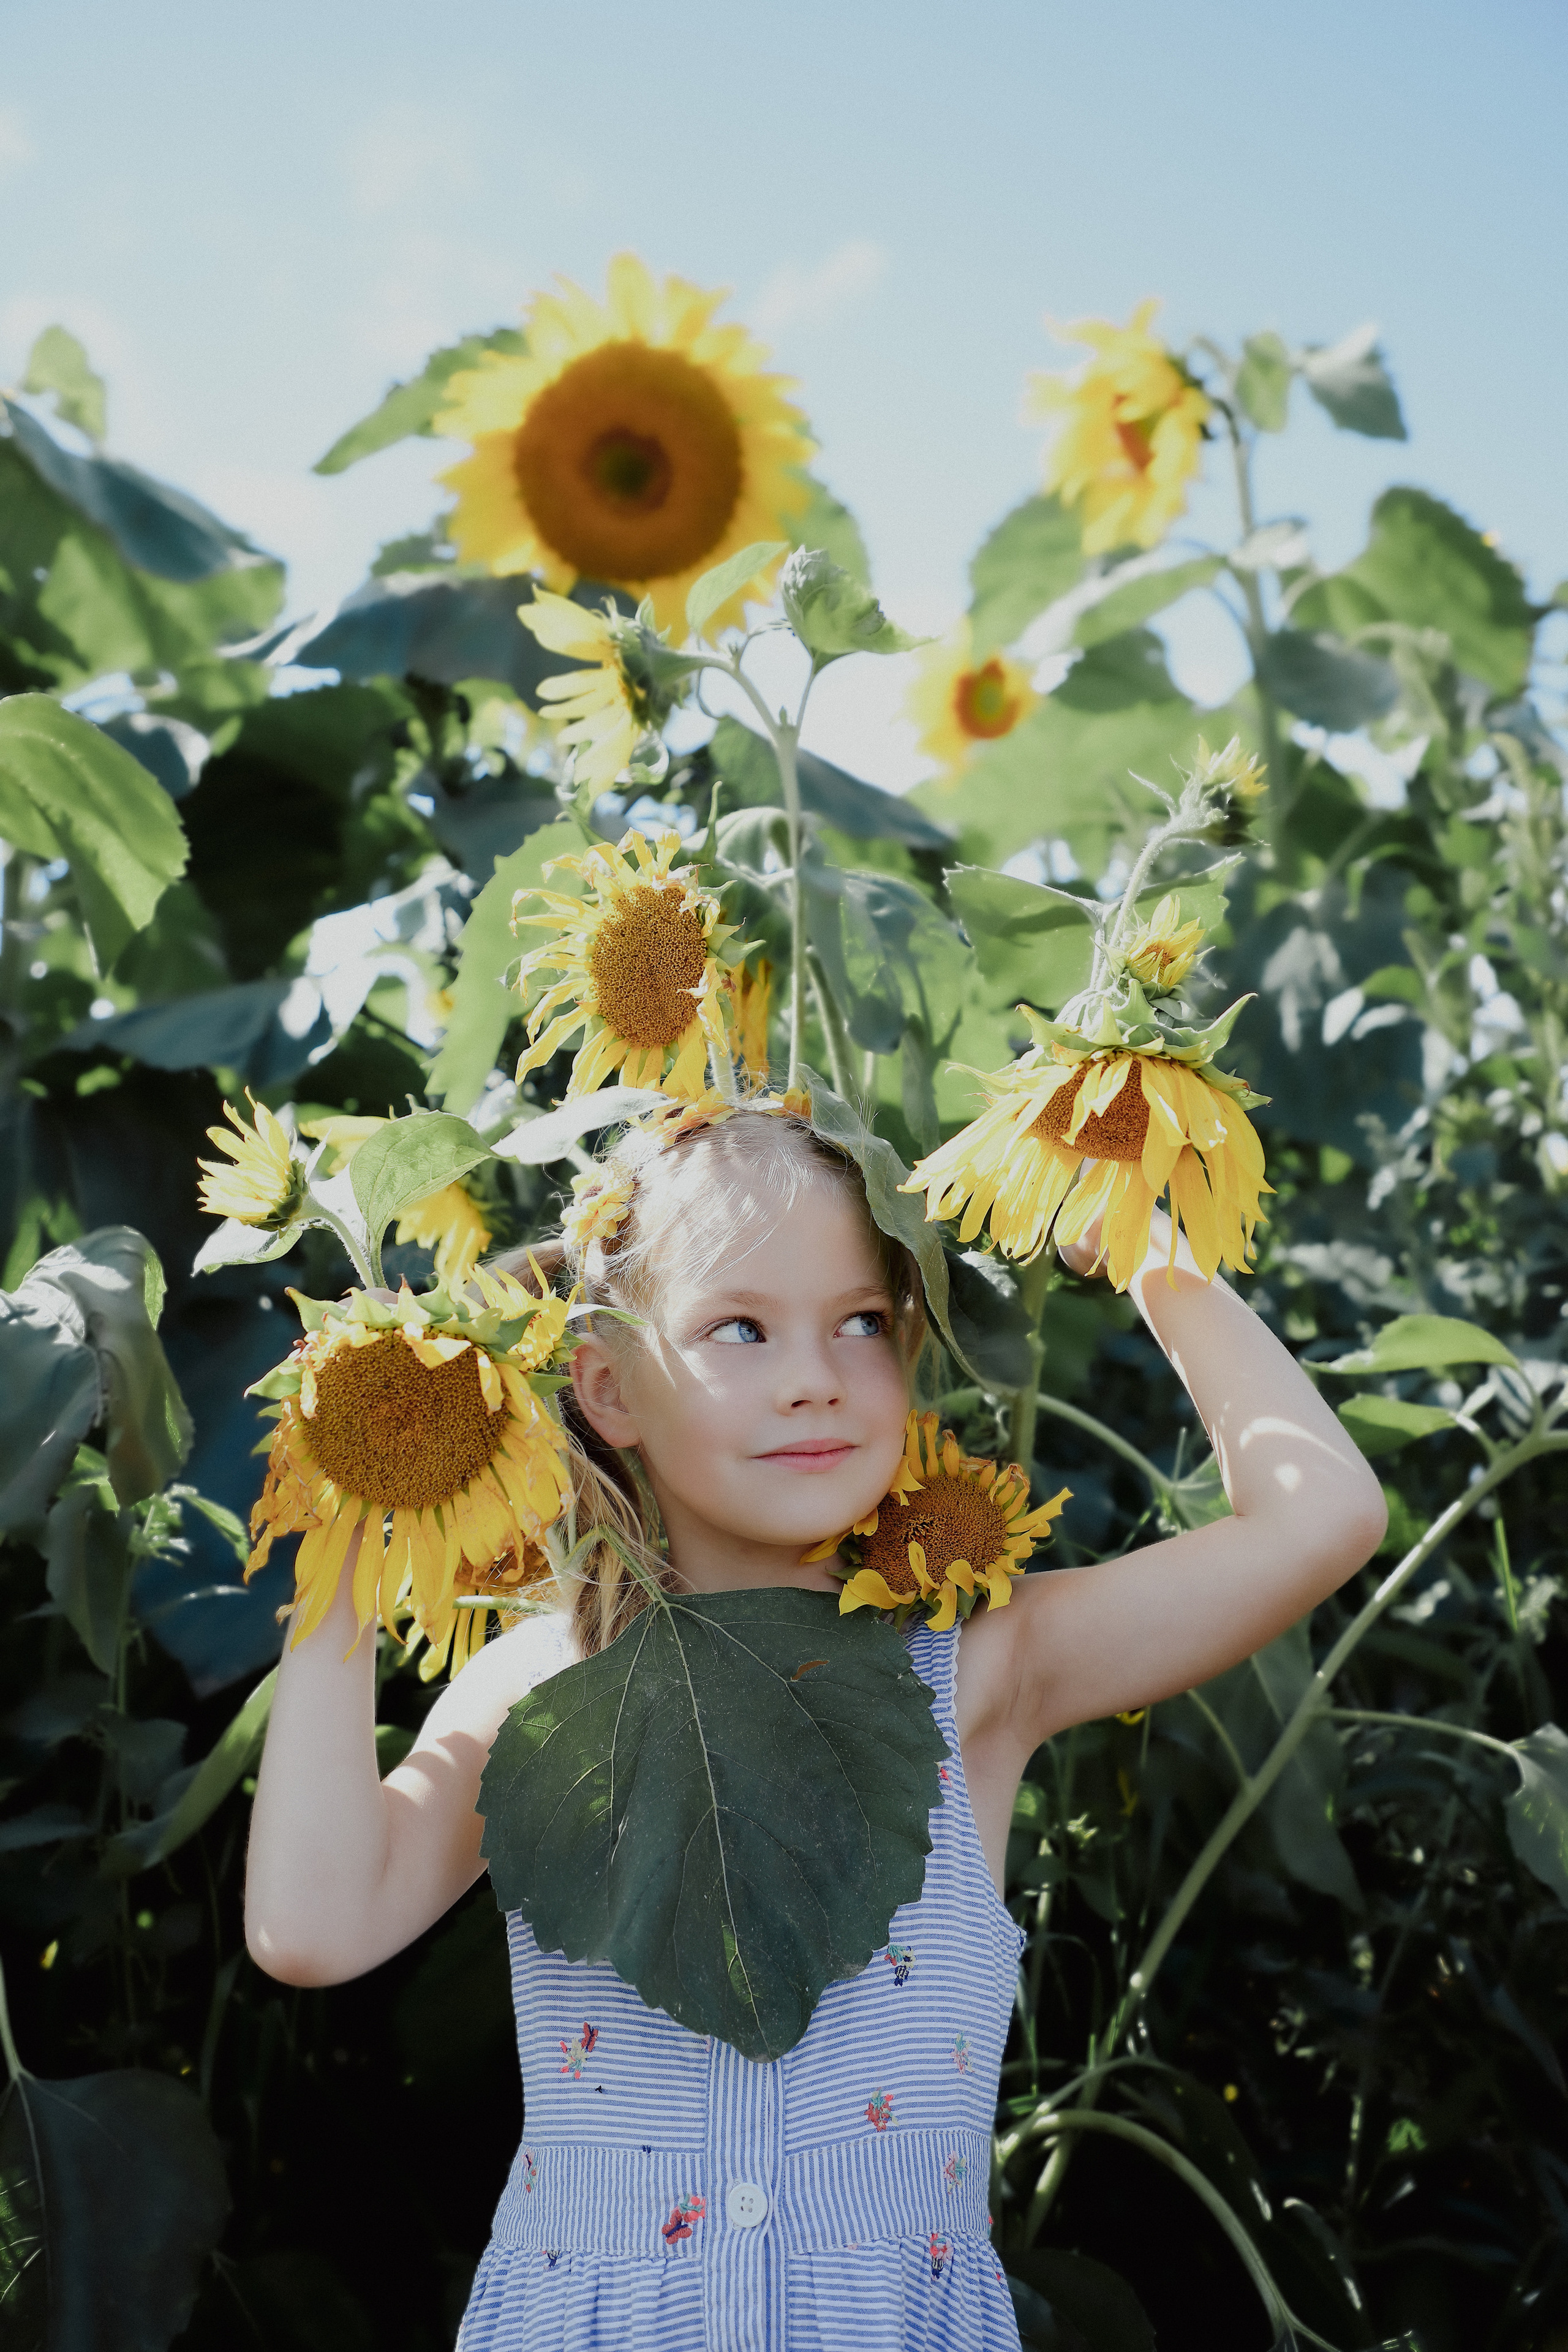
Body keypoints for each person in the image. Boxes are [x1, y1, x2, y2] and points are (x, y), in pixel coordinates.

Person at [244, 1103, 1385, 2351]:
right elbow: (311, 1927)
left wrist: (1136, 1240)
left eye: (860, 1322)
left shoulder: (973, 1670)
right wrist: (355, 1505)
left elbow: (1316, 1518)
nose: (814, 1375)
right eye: (739, 1326)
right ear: (608, 1387)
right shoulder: (545, 1684)